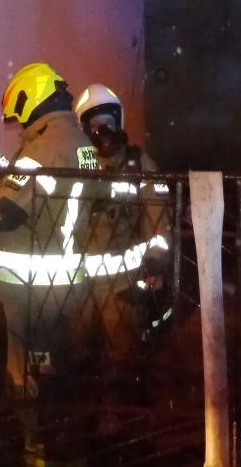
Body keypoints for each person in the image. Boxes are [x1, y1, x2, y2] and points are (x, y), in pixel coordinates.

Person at [0, 62, 99, 463]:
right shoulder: (80, 140)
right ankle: (65, 446)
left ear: (33, 97)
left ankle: (38, 450)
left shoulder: (43, 146)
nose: (18, 121)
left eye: (19, 109)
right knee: (57, 371)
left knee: (28, 377)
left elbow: (3, 211)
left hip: (30, 286)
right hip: (65, 280)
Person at [75, 84, 173, 380]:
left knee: (124, 354)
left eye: (108, 123)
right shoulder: (75, 161)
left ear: (119, 123)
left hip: (121, 280)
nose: (102, 131)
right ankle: (81, 414)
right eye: (94, 125)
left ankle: (126, 411)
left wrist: (156, 259)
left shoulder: (138, 164)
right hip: (75, 280)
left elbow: (158, 215)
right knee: (77, 351)